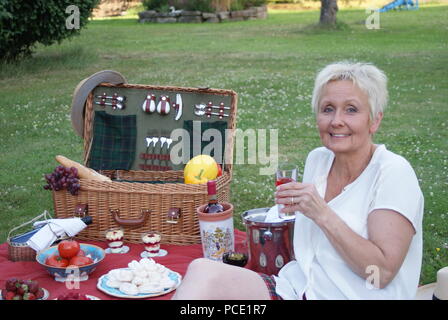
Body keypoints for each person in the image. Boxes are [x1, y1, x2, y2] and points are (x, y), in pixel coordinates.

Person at [172, 61, 424, 300]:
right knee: (203, 271)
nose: (336, 120)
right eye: (327, 109)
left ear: (374, 120)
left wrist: (322, 213)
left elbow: (381, 273)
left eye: (351, 109)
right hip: (298, 288)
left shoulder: (393, 173)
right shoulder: (319, 160)